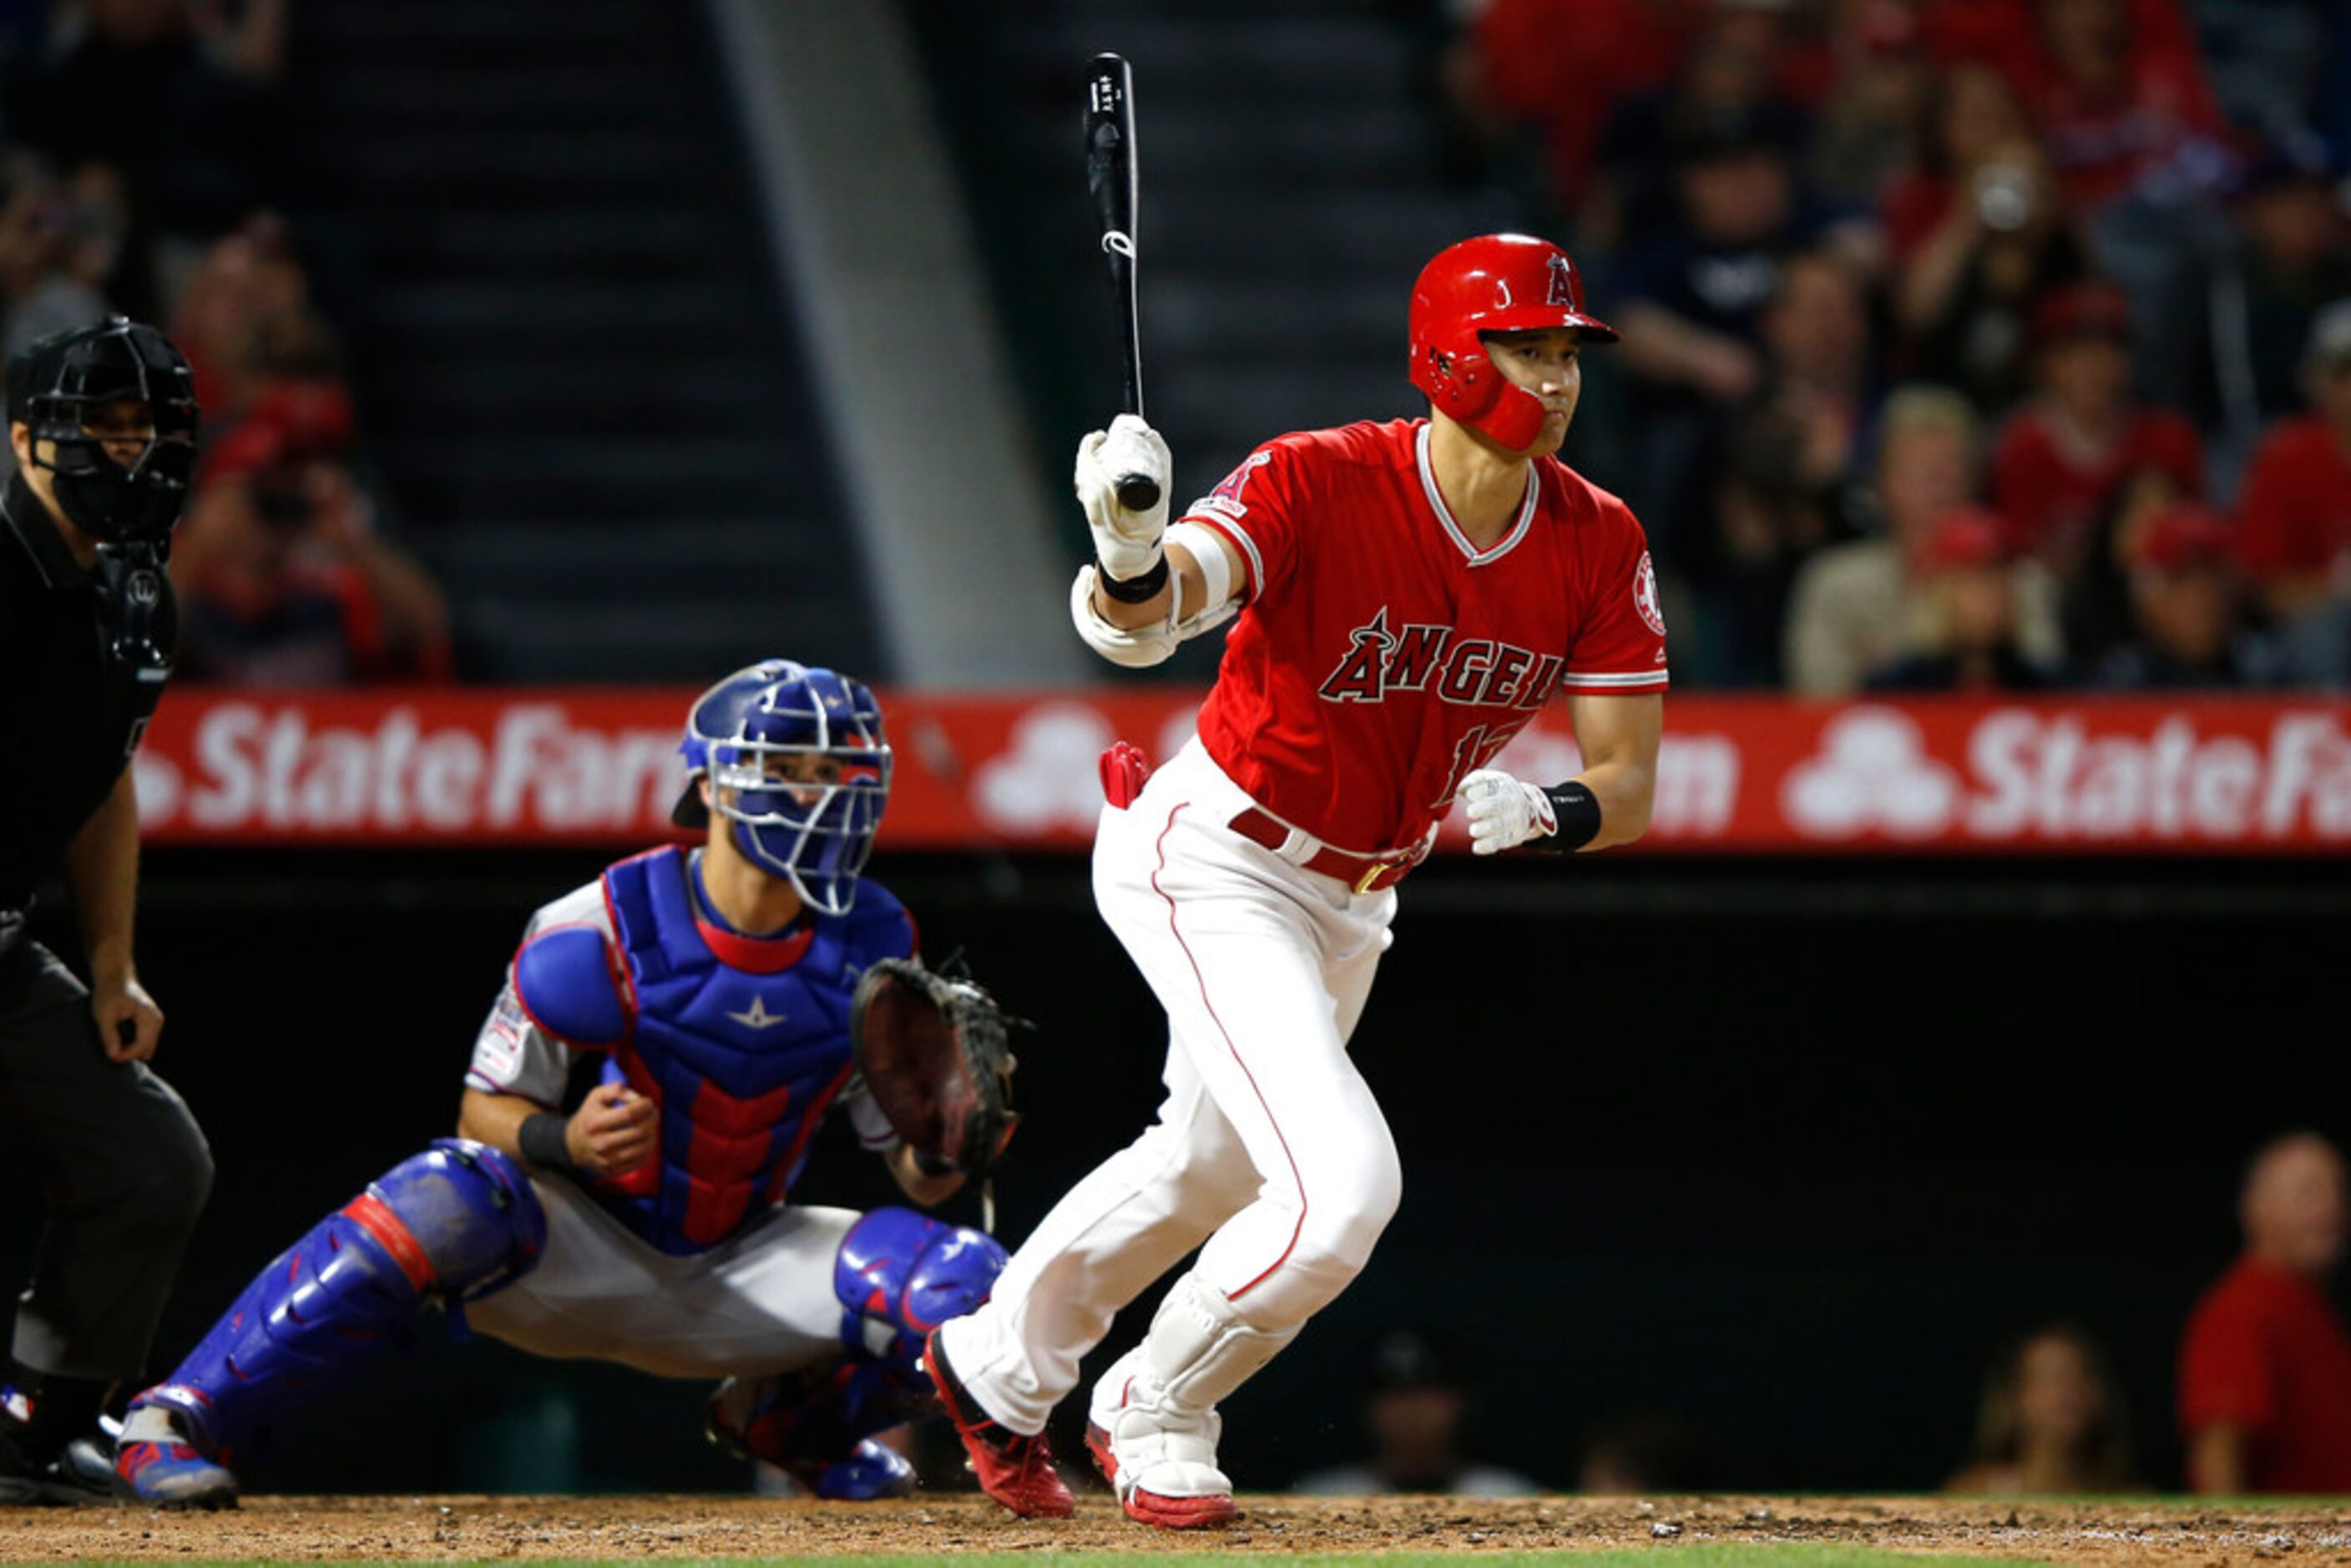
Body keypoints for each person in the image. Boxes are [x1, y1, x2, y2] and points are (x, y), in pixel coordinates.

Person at [922, 233, 1665, 1530]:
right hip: (1215, 852)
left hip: (1355, 898)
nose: (1553, 378)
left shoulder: (1597, 541)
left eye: (1565, 352)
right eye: (1525, 347)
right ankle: (1154, 1401)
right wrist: (1132, 545)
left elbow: (1631, 785)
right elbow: (1152, 617)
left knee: (1206, 1166)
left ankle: (993, 1363)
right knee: (1339, 1189)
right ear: (1447, 355)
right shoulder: (1323, 477)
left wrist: (1551, 809)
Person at [110, 660, 1011, 1508]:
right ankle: (176, 1419)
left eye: (835, 771)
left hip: (744, 1260)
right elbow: (481, 1109)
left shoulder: (877, 941)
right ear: (709, 785)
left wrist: (950, 1133)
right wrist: (565, 1141)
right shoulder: (602, 923)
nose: (816, 793)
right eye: (790, 767)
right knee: (444, 1190)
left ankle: (789, 1423)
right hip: (579, 1250)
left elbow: (914, 1175)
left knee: (970, 1282)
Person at [0, 316, 213, 1504]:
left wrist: (115, 960)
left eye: (149, 431)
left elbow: (101, 772)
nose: (129, 456)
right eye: (102, 429)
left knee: (144, 1155)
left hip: (1, 944)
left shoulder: (134, 601)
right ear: (29, 438)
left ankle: (42, 1421)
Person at [2178, 1132, 2351, 1495]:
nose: (2331, 1208)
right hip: (2290, 1549)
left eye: (2338, 1192)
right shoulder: (2240, 1309)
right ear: (2256, 1208)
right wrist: (2236, 1548)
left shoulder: (2314, 1307)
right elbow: (2218, 1455)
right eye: (2308, 1192)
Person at [1291, 1329, 1539, 1497]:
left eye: (1429, 1392)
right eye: (1396, 1395)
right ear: (1365, 1407)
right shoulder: (1325, 1495)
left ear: (1463, 1402)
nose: (1414, 1408)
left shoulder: (1507, 1493)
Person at [1944, 1324, 2137, 1496]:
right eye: (2051, 1378)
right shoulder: (1973, 1492)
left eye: (2083, 1376)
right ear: (2014, 1398)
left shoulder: (2133, 1501)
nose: (2069, 1392)